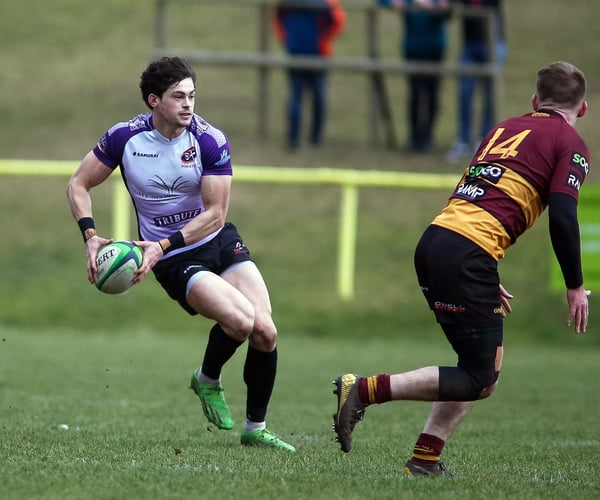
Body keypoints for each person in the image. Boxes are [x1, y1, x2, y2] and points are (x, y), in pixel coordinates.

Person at [332, 61, 591, 476]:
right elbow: (562, 215)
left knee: (477, 366)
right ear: (582, 109)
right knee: (478, 377)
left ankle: (425, 460)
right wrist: (575, 285)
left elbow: (478, 195)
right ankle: (363, 390)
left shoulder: (504, 128)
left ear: (534, 101)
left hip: (439, 240)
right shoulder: (570, 142)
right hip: (466, 254)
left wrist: (483, 267)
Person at [66, 56, 296, 452]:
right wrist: (90, 235)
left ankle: (255, 428)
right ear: (154, 100)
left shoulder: (209, 140)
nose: (188, 104)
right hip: (176, 260)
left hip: (213, 241)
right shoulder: (125, 138)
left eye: (191, 95)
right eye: (178, 96)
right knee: (241, 321)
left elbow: (216, 214)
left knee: (265, 330)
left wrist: (160, 244)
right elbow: (78, 184)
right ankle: (209, 379)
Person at [273, 0, 346, 150]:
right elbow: (337, 21)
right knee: (315, 96)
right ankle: (314, 138)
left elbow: (279, 18)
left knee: (298, 96)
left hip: (299, 52)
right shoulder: (325, 3)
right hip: (316, 53)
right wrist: (322, 39)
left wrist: (288, 39)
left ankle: (296, 139)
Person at [380, 0, 451, 152]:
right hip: (413, 47)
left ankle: (428, 137)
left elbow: (448, 11)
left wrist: (432, 7)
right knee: (415, 93)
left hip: (434, 47)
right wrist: (393, 3)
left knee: (432, 93)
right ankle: (414, 138)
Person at [446, 0, 507, 163]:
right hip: (470, 45)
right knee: (465, 92)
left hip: (493, 42)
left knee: (489, 95)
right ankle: (464, 140)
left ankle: (485, 140)